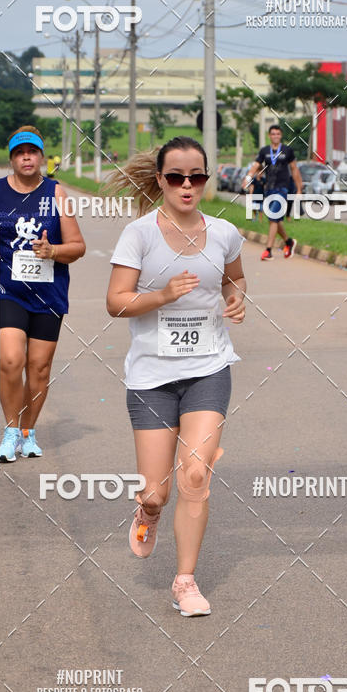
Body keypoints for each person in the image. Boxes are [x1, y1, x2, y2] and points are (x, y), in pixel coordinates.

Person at [106, 135, 246, 617]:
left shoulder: (224, 232)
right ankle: (147, 511)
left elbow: (234, 278)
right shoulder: (139, 234)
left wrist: (236, 299)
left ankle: (185, 581)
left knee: (195, 475)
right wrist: (163, 295)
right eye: (176, 177)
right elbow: (115, 301)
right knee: (157, 491)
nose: (187, 186)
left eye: (197, 177)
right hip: (151, 377)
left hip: (208, 368)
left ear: (206, 179)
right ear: (160, 180)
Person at [0, 125, 86, 461]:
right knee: (10, 360)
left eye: (32, 152)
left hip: (49, 294)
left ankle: (28, 433)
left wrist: (53, 251)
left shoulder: (57, 194)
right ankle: (11, 430)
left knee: (39, 368)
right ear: (12, 159)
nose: (26, 158)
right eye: (19, 153)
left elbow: (78, 246)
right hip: (7, 289)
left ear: (42, 157)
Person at [242, 125, 302, 260]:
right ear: (269, 136)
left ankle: (268, 250)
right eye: (273, 134)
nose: (275, 136)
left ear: (281, 136)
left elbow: (294, 169)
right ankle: (289, 242)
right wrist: (248, 178)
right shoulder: (264, 151)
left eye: (278, 134)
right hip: (269, 189)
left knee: (273, 217)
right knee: (274, 218)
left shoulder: (287, 150)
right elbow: (256, 165)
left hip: (283, 188)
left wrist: (299, 189)